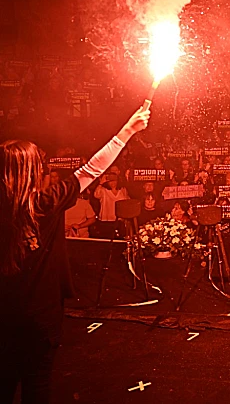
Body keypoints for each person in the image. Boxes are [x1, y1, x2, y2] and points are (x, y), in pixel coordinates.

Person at [0, 105, 150, 403]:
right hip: (41, 317)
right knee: (37, 386)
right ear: (32, 172)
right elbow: (92, 169)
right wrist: (127, 132)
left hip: (4, 317)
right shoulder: (45, 203)